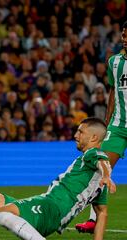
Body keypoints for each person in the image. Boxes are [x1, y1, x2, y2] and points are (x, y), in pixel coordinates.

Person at [0, 117, 115, 240]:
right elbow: (102, 213)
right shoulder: (98, 183)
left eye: (80, 132)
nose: (76, 135)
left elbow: (102, 160)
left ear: (94, 137)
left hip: (51, 208)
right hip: (47, 207)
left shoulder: (92, 153)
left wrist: (107, 175)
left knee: (2, 214)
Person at [75, 20, 127, 233]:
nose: (125, 38)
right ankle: (93, 220)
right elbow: (113, 92)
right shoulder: (114, 62)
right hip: (118, 126)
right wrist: (106, 124)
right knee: (100, 169)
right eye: (124, 34)